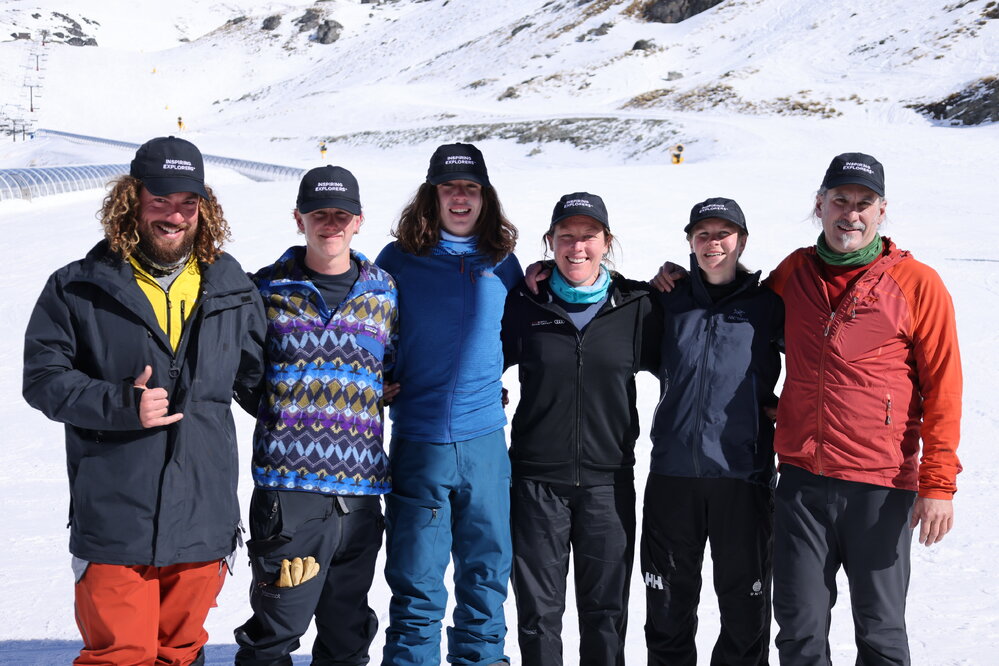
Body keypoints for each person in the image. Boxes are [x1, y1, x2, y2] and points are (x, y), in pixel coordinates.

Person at [22, 136, 265, 666]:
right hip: (114, 516)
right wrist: (119, 404)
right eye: (160, 200)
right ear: (132, 200)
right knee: (120, 655)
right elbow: (43, 378)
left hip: (203, 514)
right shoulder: (78, 288)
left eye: (188, 203)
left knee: (178, 653)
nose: (174, 215)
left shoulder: (232, 287)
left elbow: (259, 382)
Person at [765, 153, 962, 664]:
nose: (850, 214)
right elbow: (739, 328)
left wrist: (938, 485)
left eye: (863, 204)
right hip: (802, 483)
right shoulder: (794, 274)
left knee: (880, 632)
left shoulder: (917, 283)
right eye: (840, 201)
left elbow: (944, 387)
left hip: (881, 485)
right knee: (799, 631)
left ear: (881, 212)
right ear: (819, 205)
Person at [233, 165, 398, 665]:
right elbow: (245, 378)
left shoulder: (385, 293)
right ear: (298, 219)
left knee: (348, 634)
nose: (331, 224)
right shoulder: (265, 290)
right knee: (276, 630)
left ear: (359, 221)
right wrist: (289, 415)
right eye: (319, 214)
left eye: (341, 215)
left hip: (362, 495)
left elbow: (393, 367)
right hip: (290, 495)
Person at [376, 143, 522, 665]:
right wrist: (384, 379)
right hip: (420, 441)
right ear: (431, 195)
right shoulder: (398, 260)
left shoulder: (503, 263)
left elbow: (516, 335)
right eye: (449, 187)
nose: (460, 197)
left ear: (485, 197)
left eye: (471, 188)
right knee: (417, 586)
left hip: (485, 442)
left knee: (486, 580)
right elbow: (373, 333)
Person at [501, 192, 659, 665]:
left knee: (606, 614)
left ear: (606, 242)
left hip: (607, 485)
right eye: (565, 237)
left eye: (588, 236)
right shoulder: (525, 304)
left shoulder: (638, 307)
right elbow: (478, 361)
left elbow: (692, 357)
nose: (577, 248)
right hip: (535, 484)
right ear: (549, 243)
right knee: (538, 614)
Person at [641, 198, 783, 666]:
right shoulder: (667, 300)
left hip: (742, 478)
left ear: (741, 241)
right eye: (703, 234)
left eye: (723, 234)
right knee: (667, 610)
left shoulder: (769, 307)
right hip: (673, 476)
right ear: (690, 242)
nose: (713, 243)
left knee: (744, 613)